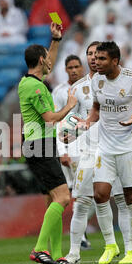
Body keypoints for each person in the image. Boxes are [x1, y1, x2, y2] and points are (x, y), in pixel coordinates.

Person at [66, 42, 132, 264]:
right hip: (104, 147)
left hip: (129, 146)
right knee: (100, 195)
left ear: (115, 61)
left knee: (131, 200)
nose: (97, 62)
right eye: (95, 58)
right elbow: (96, 108)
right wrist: (86, 122)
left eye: (102, 59)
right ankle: (110, 246)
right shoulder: (96, 80)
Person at [18, 23, 78, 264]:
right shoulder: (38, 87)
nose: (50, 62)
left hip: (35, 144)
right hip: (39, 144)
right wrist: (70, 105)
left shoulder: (27, 82)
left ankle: (56, 254)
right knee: (63, 197)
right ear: (41, 60)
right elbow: (50, 118)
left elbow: (49, 62)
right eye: (47, 57)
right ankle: (39, 249)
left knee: (55, 198)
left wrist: (55, 40)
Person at [52, 54, 85, 193]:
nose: (74, 70)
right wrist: (62, 151)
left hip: (93, 143)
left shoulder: (92, 86)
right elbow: (55, 122)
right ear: (65, 70)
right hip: (72, 146)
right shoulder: (59, 92)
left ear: (82, 68)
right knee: (77, 190)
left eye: (76, 67)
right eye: (70, 67)